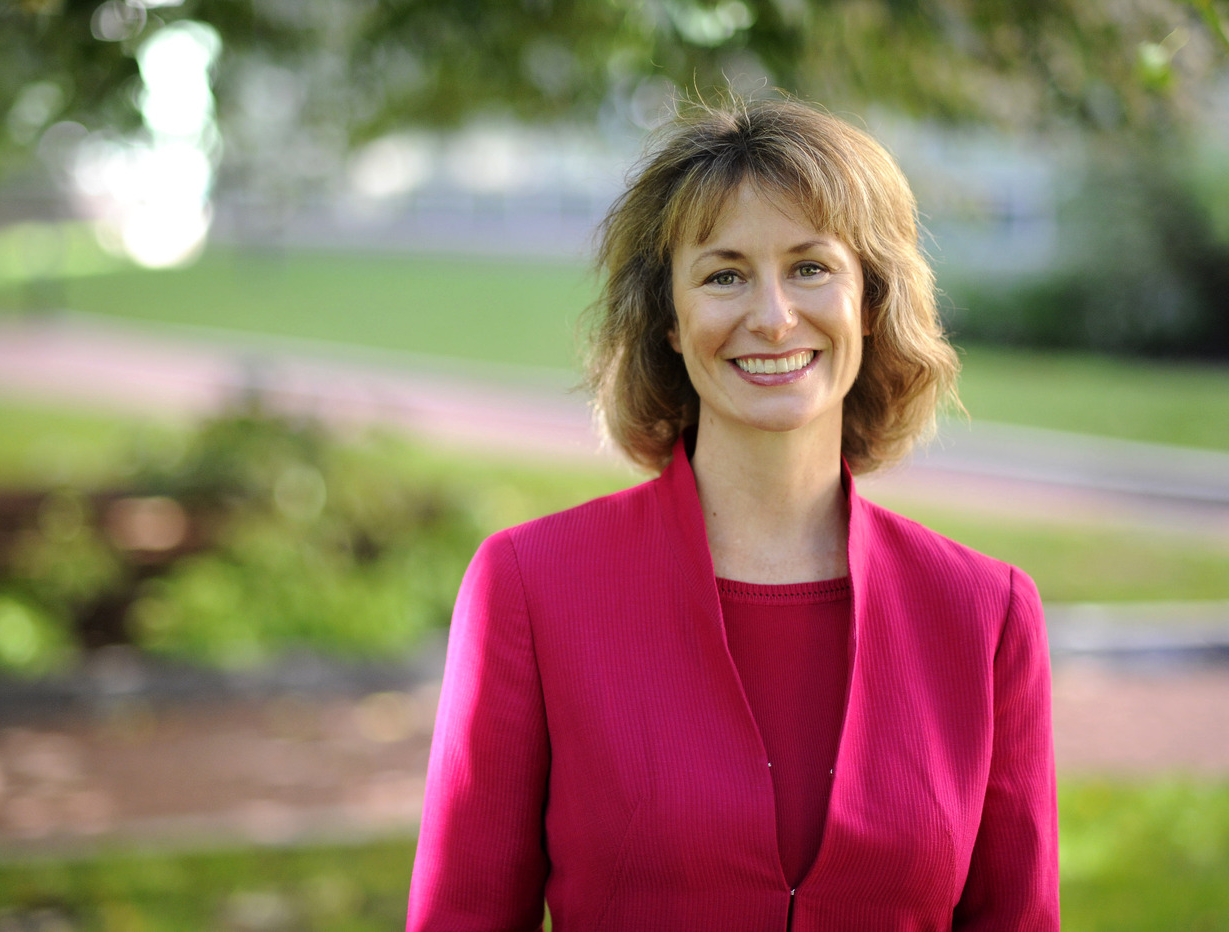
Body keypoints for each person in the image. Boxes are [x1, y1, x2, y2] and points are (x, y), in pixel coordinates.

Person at [407, 97, 1058, 931]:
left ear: (869, 300)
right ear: (670, 322)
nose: (773, 315)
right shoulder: (532, 587)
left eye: (811, 267)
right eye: (724, 274)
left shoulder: (985, 613)